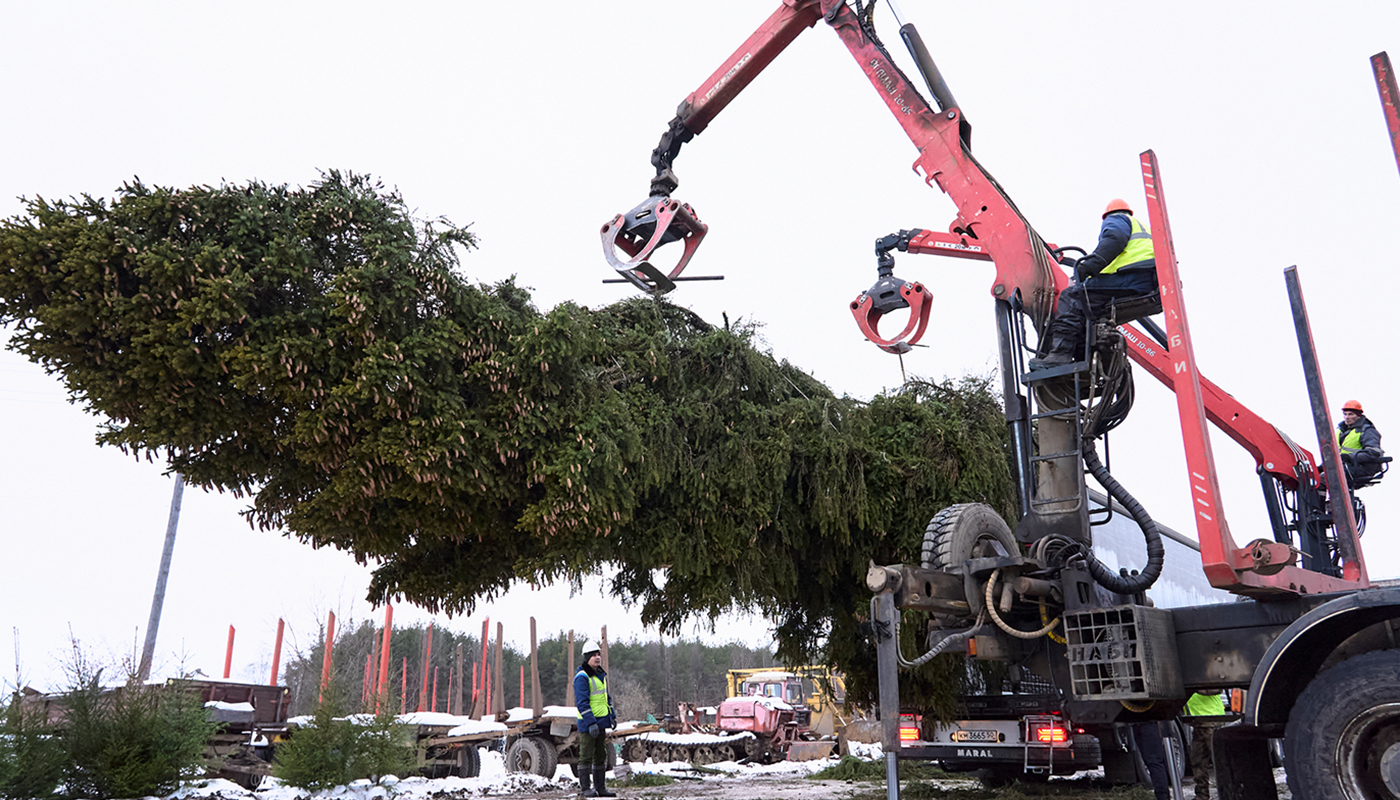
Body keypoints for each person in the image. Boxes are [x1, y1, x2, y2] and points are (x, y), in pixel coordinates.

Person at [1031, 198, 1157, 369]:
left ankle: (1060, 354)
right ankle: (1085, 354)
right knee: (1089, 306)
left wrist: (1090, 265)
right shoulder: (1141, 227)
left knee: (1073, 296)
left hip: (1132, 277)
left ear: (1106, 216)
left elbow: (1114, 239)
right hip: (1144, 279)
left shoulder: (1117, 219)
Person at [574, 640, 617, 798]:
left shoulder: (600, 675)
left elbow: (606, 698)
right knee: (585, 755)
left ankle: (600, 788)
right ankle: (585, 789)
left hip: (601, 722)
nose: (597, 657)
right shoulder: (582, 677)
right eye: (594, 655)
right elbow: (582, 703)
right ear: (587, 658)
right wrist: (591, 723)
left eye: (598, 654)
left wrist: (611, 715)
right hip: (588, 725)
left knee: (601, 755)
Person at [1185, 691, 1227, 800]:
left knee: (1220, 762)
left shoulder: (1202, 675)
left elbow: (1217, 688)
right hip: (1199, 722)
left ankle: (1228, 793)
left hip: (1211, 719)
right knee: (1198, 761)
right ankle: (1202, 794)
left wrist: (1194, 688)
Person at [1338, 400, 1385, 486]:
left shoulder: (1367, 431)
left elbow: (1374, 453)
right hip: (1345, 467)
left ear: (1359, 416)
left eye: (1351, 414)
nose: (1347, 417)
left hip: (1361, 468)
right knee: (1314, 479)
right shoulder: (1341, 432)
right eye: (1345, 414)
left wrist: (1350, 457)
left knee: (1327, 478)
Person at [1131, 720, 1172, 800]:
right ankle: (1162, 796)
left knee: (1154, 762)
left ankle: (1162, 796)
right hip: (1144, 723)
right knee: (1153, 762)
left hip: (1147, 723)